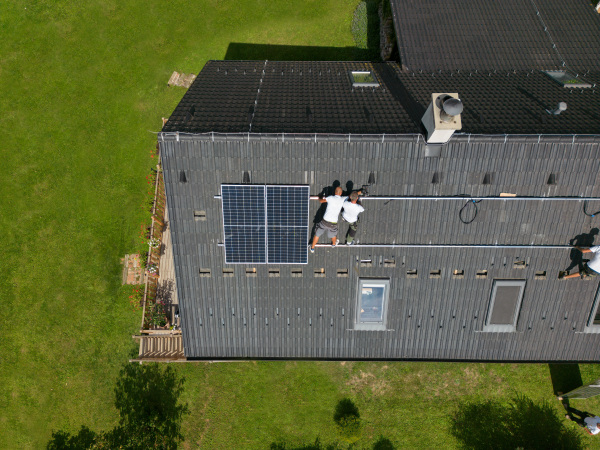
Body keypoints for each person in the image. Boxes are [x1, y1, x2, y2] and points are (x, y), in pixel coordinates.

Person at [310, 186, 347, 253]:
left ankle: (312, 248)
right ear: (341, 193)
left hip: (324, 221)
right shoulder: (343, 199)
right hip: (333, 224)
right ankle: (333, 244)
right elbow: (352, 196)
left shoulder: (330, 198)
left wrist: (320, 196)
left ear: (335, 192)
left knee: (317, 234)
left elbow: (321, 201)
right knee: (333, 235)